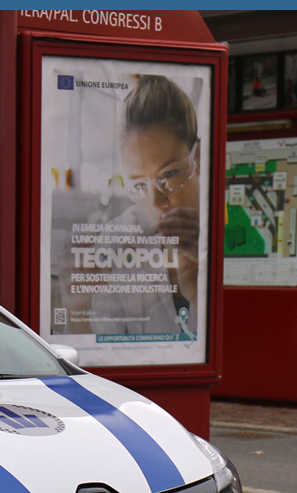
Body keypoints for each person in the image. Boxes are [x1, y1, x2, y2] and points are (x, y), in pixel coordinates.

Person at [88, 74, 201, 338]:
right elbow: (101, 349)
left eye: (170, 174)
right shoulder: (118, 241)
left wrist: (199, 290)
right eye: (139, 186)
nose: (156, 202)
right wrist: (75, 307)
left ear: (199, 156)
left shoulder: (223, 235)